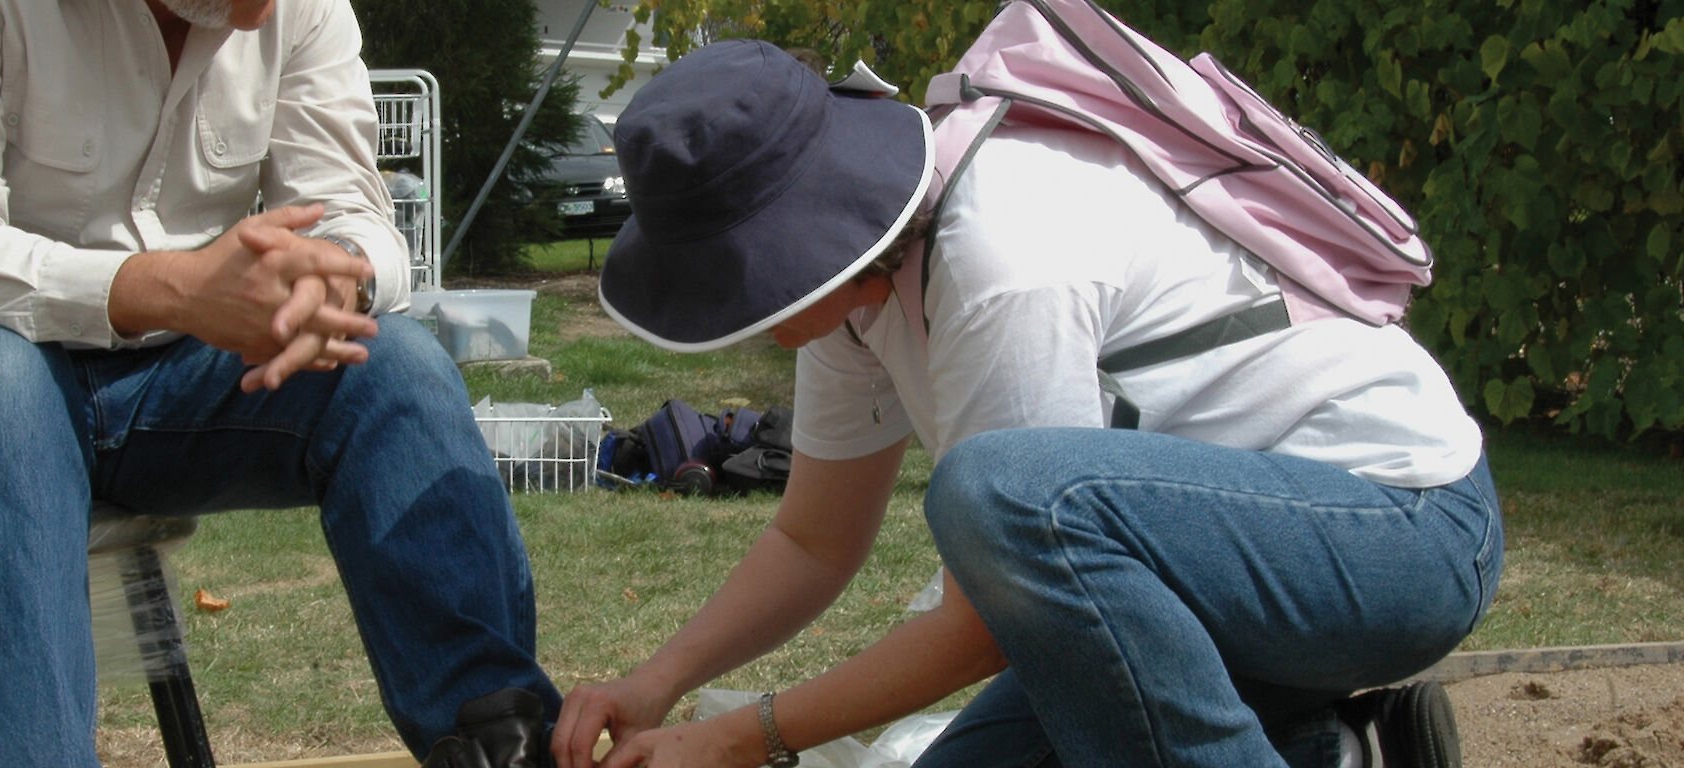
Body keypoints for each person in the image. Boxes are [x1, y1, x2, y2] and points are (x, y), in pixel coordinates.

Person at [552, 38, 1500, 768]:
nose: (746, 318)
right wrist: (654, 683)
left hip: (1400, 534)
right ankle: (1335, 749)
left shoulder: (1000, 260)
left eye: (743, 285)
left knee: (1000, 494)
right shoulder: (853, 294)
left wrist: (745, 737)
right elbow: (814, 541)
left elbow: (1001, 609)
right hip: (1223, 583)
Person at [0, 0, 559, 764]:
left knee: (391, 362)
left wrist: (333, 285)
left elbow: (356, 214)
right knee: (0, 386)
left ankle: (504, 745)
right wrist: (167, 288)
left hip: (170, 375)